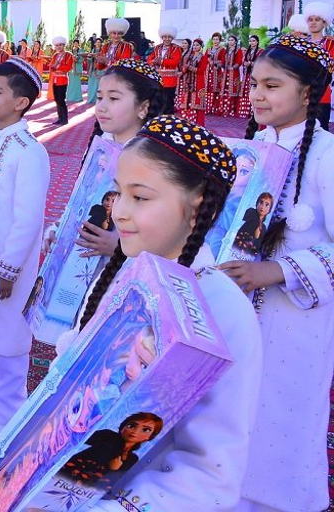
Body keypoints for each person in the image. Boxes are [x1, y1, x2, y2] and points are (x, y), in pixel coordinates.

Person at [60, 115, 262, 512]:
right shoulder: (123, 276)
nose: (118, 211)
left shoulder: (221, 309)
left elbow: (208, 470)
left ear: (196, 203)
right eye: (118, 193)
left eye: (141, 197)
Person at [214, 35, 334, 512]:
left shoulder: (327, 155)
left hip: (295, 322)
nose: (257, 95)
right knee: (232, 414)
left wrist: (278, 271)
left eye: (272, 85)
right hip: (236, 312)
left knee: (285, 415)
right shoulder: (248, 150)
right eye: (254, 85)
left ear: (308, 93)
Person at [0, 58, 50, 444]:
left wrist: (8, 268)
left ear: (21, 102)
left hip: (7, 268)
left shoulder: (29, 150)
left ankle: (5, 421)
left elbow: (28, 218)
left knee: (8, 344)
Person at [70, 59, 163, 261]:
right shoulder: (101, 146)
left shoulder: (156, 159)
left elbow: (167, 229)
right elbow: (82, 200)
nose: (101, 107)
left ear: (143, 107)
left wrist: (120, 246)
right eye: (99, 97)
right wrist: (60, 230)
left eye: (113, 99)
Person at [60, 413, 164, 487]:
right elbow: (79, 437)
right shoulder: (108, 436)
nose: (135, 431)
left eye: (146, 430)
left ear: (149, 437)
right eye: (131, 426)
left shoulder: (132, 459)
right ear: (123, 427)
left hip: (87, 489)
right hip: (66, 474)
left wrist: (113, 469)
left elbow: (113, 482)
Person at [303, 1, 334, 130]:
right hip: (302, 93)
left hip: (322, 92)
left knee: (321, 129)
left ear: (324, 22)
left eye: (317, 20)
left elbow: (330, 67)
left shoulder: (330, 44)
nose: (313, 22)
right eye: (310, 19)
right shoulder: (301, 43)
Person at [146, 25, 183, 114]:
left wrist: (161, 61)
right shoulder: (157, 48)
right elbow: (149, 59)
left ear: (172, 38)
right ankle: (159, 120)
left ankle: (168, 121)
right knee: (158, 101)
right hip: (158, 79)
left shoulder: (176, 48)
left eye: (169, 37)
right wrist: (154, 61)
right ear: (162, 37)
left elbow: (175, 62)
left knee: (168, 102)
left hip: (170, 80)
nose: (167, 39)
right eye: (165, 37)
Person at [177, 38, 206, 125]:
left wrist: (189, 67)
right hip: (189, 81)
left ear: (201, 47)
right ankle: (187, 119)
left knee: (197, 101)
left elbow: (201, 70)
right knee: (187, 99)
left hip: (199, 81)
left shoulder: (203, 57)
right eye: (194, 45)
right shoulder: (190, 56)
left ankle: (198, 122)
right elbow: (184, 66)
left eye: (197, 45)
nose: (195, 47)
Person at [48, 36, 74, 125]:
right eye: (57, 45)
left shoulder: (68, 55)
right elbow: (51, 66)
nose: (58, 47)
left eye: (60, 45)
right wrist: (54, 67)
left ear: (64, 45)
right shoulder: (55, 55)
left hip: (62, 80)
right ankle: (60, 118)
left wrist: (57, 67)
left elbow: (68, 67)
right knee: (57, 99)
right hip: (55, 80)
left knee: (61, 99)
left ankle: (64, 119)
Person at [218, 35, 244, 117]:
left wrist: (233, 67)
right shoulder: (226, 50)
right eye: (229, 40)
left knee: (232, 91)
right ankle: (223, 110)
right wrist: (222, 65)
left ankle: (231, 110)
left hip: (234, 73)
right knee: (224, 90)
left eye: (232, 40)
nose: (230, 42)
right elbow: (222, 60)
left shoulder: (238, 50)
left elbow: (239, 61)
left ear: (235, 42)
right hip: (225, 73)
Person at [238, 35, 263, 119]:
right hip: (247, 74)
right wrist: (245, 63)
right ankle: (244, 111)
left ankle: (253, 112)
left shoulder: (260, 51)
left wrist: (251, 64)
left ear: (257, 42)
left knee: (253, 92)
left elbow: (261, 62)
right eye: (250, 41)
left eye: (253, 41)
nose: (251, 42)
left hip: (255, 75)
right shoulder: (248, 51)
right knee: (245, 92)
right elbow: (243, 60)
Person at [86, 37, 105, 105]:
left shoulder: (103, 51)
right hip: (93, 69)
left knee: (99, 85)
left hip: (100, 70)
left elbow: (104, 60)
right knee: (91, 85)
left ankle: (99, 100)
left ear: (101, 43)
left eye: (99, 42)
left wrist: (97, 57)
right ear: (94, 43)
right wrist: (89, 57)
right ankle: (91, 99)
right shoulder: (92, 50)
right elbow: (89, 60)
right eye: (97, 42)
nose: (98, 43)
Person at [67, 39, 84, 103]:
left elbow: (82, 59)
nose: (75, 44)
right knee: (71, 83)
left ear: (78, 44)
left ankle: (78, 98)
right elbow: (68, 59)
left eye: (77, 43)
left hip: (77, 68)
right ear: (73, 44)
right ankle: (70, 97)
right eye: (74, 43)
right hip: (71, 69)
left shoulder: (81, 50)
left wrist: (77, 60)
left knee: (77, 84)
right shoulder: (70, 51)